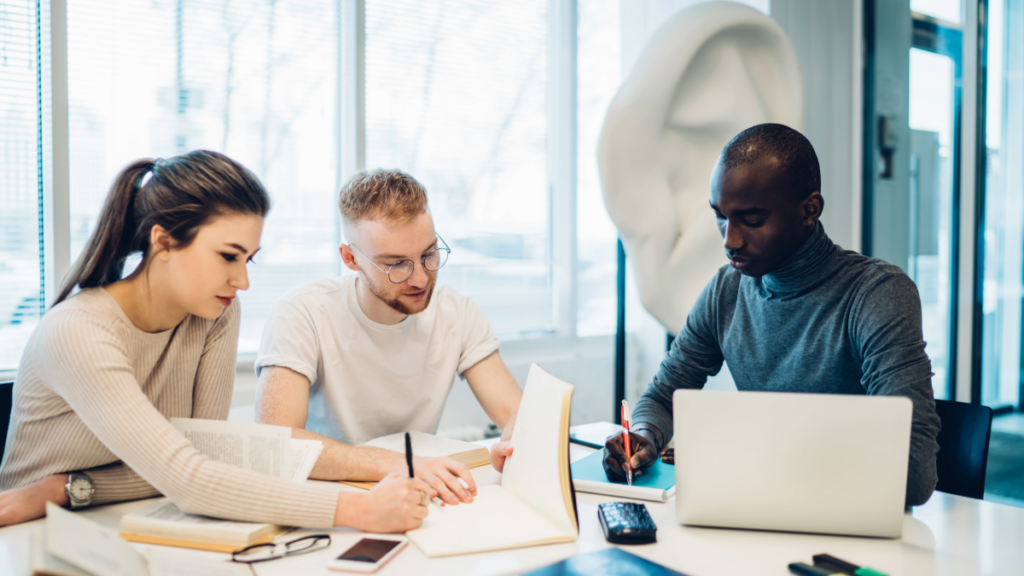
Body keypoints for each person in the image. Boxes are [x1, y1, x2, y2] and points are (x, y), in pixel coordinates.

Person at [0, 151, 432, 530]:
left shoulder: (216, 313)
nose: (241, 280)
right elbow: (188, 476)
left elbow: (202, 460)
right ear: (163, 240)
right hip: (32, 535)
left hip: (129, 514)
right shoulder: (79, 331)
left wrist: (70, 487)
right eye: (228, 256)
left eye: (249, 259)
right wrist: (361, 510)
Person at [603, 124, 941, 507]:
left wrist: (744, 451)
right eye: (721, 217)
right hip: (763, 507)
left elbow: (913, 471)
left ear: (809, 210)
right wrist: (644, 436)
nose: (730, 240)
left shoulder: (876, 294)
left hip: (851, 520)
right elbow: (663, 397)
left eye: (751, 219)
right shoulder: (725, 291)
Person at [256, 169, 522, 506]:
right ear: (350, 259)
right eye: (396, 264)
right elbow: (276, 442)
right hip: (331, 504)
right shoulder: (301, 313)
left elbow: (518, 414)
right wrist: (400, 465)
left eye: (429, 254)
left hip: (421, 493)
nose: (421, 279)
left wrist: (513, 443)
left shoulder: (457, 311)